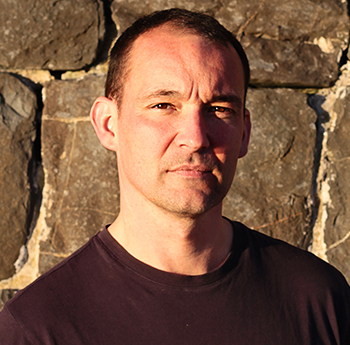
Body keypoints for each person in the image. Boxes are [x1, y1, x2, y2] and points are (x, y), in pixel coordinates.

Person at [0, 8, 349, 344]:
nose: (195, 137)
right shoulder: (37, 328)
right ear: (108, 124)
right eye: (163, 105)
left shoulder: (319, 300)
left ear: (244, 133)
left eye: (219, 109)